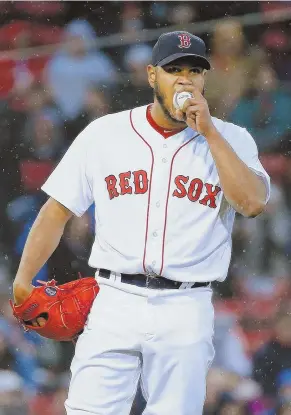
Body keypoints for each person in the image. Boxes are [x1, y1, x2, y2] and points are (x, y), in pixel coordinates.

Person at [13, 30, 270, 415]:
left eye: (194, 71)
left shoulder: (233, 138)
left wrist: (211, 133)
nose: (185, 78)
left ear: (204, 79)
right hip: (114, 297)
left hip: (187, 303)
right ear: (152, 76)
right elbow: (57, 210)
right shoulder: (105, 133)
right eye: (174, 69)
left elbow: (251, 203)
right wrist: (22, 278)